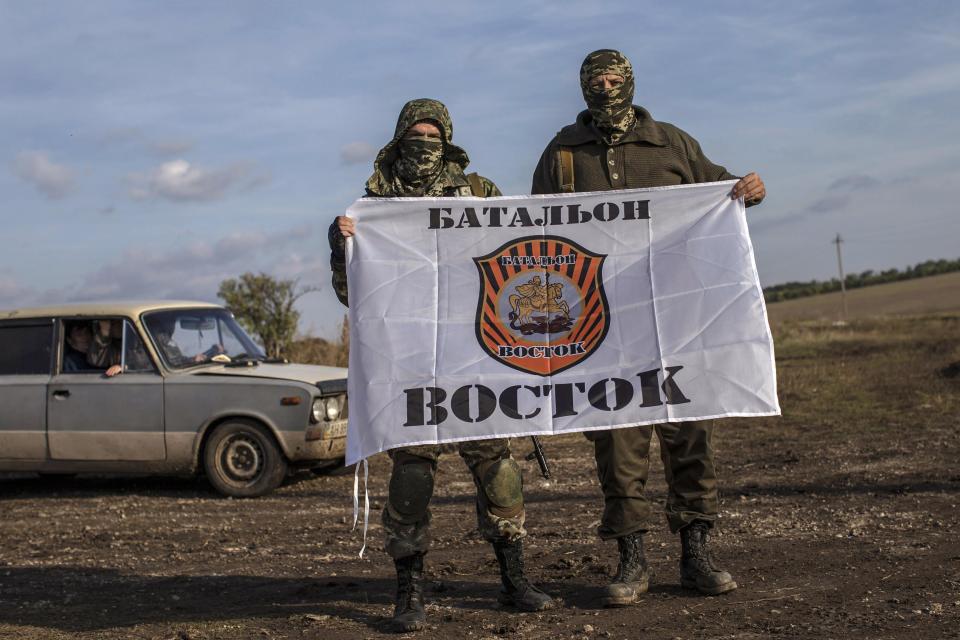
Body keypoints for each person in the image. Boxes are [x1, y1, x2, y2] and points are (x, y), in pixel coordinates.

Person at [531, 49, 767, 606]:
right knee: (618, 445)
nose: (605, 85)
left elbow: (719, 192)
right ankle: (631, 560)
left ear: (630, 81)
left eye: (614, 77)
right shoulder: (563, 153)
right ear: (582, 85)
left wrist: (746, 190)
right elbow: (533, 231)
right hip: (603, 327)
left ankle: (696, 554)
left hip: (680, 319)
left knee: (690, 437)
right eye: (595, 78)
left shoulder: (670, 142)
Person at [330, 98, 554, 632]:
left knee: (499, 473)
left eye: (433, 132)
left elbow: (520, 256)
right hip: (409, 361)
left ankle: (513, 577)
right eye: (415, 131)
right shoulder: (371, 207)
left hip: (477, 358)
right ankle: (409, 590)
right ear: (399, 136)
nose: (424, 140)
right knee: (411, 478)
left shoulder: (479, 194)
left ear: (447, 139)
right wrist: (343, 249)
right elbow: (352, 294)